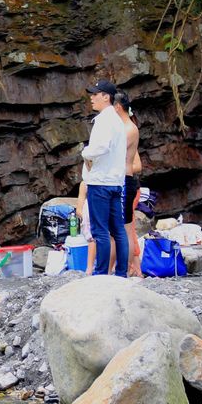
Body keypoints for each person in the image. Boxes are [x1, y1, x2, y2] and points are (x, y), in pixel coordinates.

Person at [81, 79, 129, 278]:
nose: (92, 98)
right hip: (115, 182)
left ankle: (100, 274)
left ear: (106, 97)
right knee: (118, 230)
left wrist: (86, 153)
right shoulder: (118, 120)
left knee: (100, 230)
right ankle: (121, 273)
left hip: (100, 182)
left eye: (95, 94)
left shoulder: (103, 120)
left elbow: (102, 147)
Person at [113, 92, 143, 277]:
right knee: (120, 228)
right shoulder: (121, 128)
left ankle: (128, 268)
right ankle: (126, 267)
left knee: (126, 228)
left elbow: (114, 150)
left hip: (126, 181)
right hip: (118, 181)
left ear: (117, 107)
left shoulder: (129, 129)